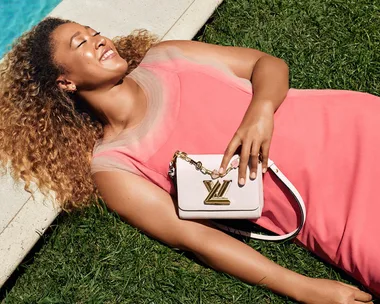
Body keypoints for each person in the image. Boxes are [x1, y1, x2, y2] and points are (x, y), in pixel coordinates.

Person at [0, 17, 378, 303]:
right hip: (332, 215)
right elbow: (196, 239)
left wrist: (260, 110)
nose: (98, 40)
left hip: (354, 125)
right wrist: (304, 288)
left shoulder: (168, 57)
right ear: (65, 82)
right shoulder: (115, 165)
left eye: (92, 31)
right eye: (80, 42)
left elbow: (267, 64)